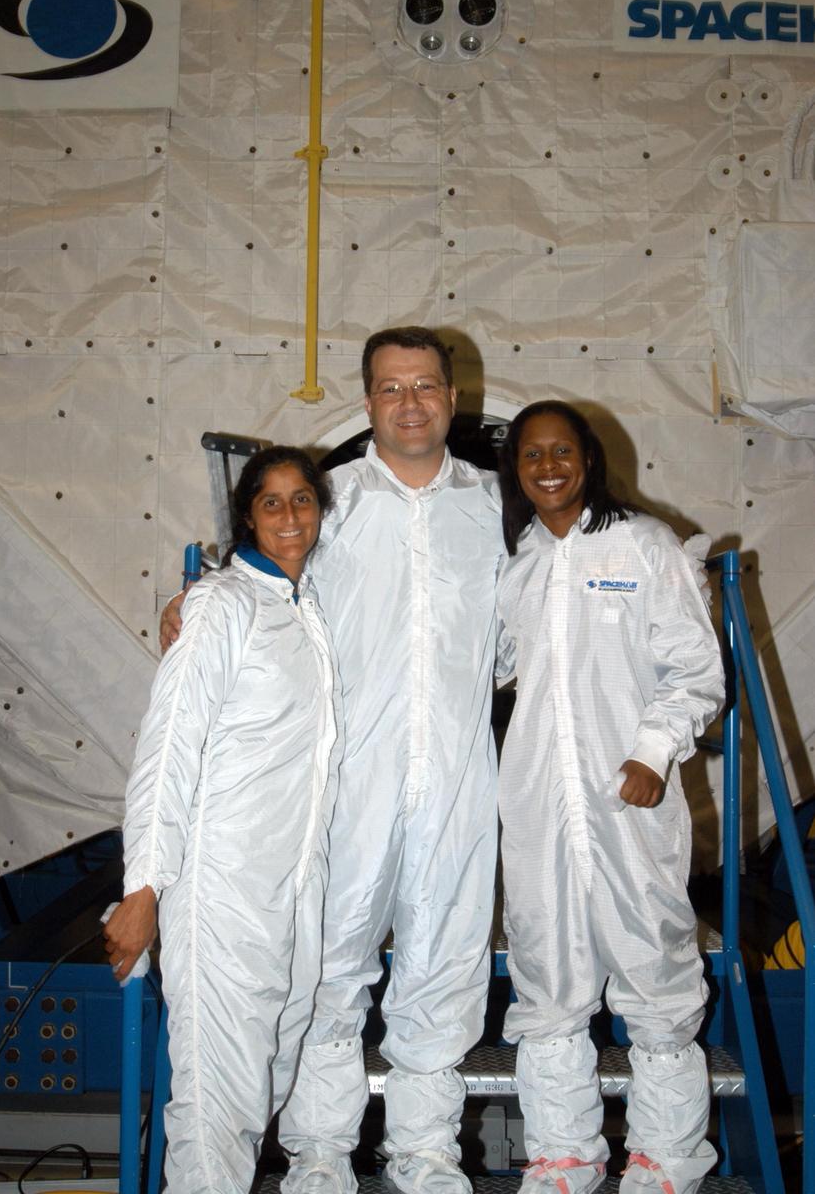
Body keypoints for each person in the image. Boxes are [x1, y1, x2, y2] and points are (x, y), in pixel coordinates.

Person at [161, 327, 504, 1194]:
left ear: (453, 397)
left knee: (443, 962)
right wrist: (194, 594)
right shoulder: (332, 502)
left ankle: (426, 1151)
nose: (410, 403)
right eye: (391, 388)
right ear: (367, 402)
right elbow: (261, 581)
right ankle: (319, 1152)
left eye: (425, 386)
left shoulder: (495, 507)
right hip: (349, 778)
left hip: (459, 776)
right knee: (328, 967)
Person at [495, 401, 725, 1194]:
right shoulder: (518, 562)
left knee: (654, 967)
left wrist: (652, 750)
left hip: (628, 801)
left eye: (561, 451)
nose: (548, 466)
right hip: (538, 802)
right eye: (532, 454)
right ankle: (563, 1158)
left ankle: (666, 1160)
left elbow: (695, 669)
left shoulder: (645, 544)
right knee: (546, 974)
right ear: (516, 469)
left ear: (588, 458)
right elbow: (484, 661)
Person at [104, 446, 341, 1194]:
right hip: (221, 888)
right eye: (272, 502)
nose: (290, 516)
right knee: (216, 1101)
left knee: (265, 1077)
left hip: (292, 886)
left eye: (303, 499)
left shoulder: (306, 608)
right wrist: (143, 888)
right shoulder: (221, 605)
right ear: (246, 517)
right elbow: (168, 745)